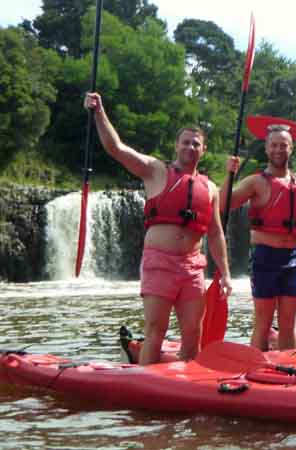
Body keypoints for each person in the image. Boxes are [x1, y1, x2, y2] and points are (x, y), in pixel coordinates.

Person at [84, 92, 232, 365]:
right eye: (185, 142)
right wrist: (98, 112)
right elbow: (116, 147)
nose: (190, 147)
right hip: (159, 262)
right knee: (155, 331)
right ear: (176, 146)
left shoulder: (210, 188)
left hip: (193, 267)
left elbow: (215, 233)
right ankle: (145, 385)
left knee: (193, 332)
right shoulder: (155, 170)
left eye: (196, 143)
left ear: (204, 150)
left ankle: (186, 388)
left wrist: (225, 273)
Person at [222, 124, 296, 351]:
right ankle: (254, 371)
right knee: (262, 324)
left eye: (283, 145)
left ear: (291, 148)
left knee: (288, 325)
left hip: (293, 258)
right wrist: (229, 175)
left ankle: (285, 372)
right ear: (266, 149)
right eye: (274, 145)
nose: (278, 149)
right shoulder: (255, 182)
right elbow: (224, 205)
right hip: (264, 258)